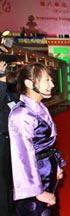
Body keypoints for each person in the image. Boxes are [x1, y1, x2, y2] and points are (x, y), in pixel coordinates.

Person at [8, 63, 65, 216]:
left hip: (47, 172)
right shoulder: (21, 115)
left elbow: (49, 143)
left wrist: (57, 165)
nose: (52, 84)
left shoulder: (41, 107)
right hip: (34, 180)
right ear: (29, 83)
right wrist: (37, 191)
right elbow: (22, 158)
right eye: (47, 80)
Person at [0, 61, 17, 216]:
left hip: (11, 140)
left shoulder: (11, 94)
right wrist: (1, 79)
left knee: (11, 179)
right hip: (1, 141)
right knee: (3, 183)